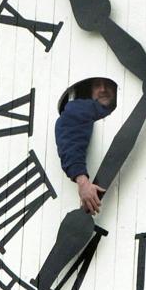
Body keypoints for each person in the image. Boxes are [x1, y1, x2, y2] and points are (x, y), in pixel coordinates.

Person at [55, 77, 117, 216]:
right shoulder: (82, 108)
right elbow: (69, 138)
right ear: (90, 91)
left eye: (107, 85)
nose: (103, 89)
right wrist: (82, 181)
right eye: (97, 85)